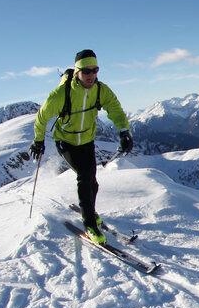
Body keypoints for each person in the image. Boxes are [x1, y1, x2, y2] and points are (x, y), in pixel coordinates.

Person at [29, 49, 133, 243]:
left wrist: (124, 131)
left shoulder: (101, 90)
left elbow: (115, 109)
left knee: (92, 182)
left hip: (86, 141)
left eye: (95, 70)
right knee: (85, 176)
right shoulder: (62, 94)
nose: (91, 75)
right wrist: (38, 140)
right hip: (66, 142)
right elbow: (42, 116)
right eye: (87, 71)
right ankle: (90, 224)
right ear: (77, 72)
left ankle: (89, 211)